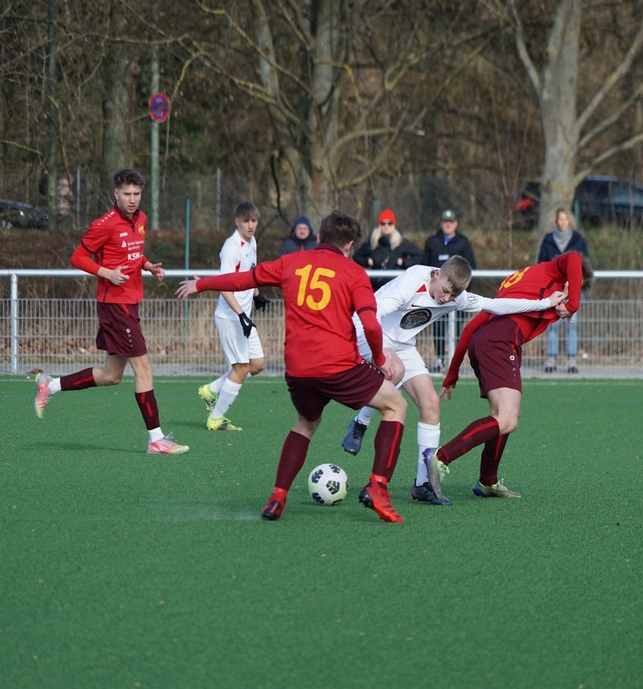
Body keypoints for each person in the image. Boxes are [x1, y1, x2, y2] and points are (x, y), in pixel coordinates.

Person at [176, 210, 409, 523]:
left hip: (298, 368)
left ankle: (277, 497)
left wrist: (202, 284)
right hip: (339, 365)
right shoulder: (355, 273)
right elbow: (370, 325)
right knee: (396, 405)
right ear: (349, 245)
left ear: (318, 237)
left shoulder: (291, 262)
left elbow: (244, 279)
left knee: (306, 423)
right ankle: (378, 487)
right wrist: (380, 360)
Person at [339, 256, 567, 506]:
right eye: (445, 291)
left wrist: (545, 303)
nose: (446, 298)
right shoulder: (412, 281)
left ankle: (423, 485)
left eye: (453, 295)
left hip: (403, 345)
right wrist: (381, 353)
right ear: (437, 274)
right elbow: (373, 314)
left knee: (431, 403)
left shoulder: (457, 297)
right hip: (368, 332)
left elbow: (495, 305)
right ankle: (361, 422)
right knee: (396, 371)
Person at [33, 168, 189, 455]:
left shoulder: (141, 219)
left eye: (137, 193)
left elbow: (133, 253)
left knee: (111, 375)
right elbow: (78, 257)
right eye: (127, 194)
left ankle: (49, 386)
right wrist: (106, 272)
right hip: (115, 306)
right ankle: (156, 440)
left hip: (130, 302)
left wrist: (148, 265)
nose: (132, 199)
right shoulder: (103, 224)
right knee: (144, 368)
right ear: (116, 194)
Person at [423, 251, 595, 502]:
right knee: (507, 418)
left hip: (490, 340)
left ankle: (487, 481)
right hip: (500, 340)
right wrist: (572, 304)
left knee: (504, 415)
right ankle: (440, 458)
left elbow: (470, 328)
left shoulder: (529, 283)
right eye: (575, 286)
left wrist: (452, 373)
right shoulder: (552, 272)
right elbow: (574, 259)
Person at [197, 201, 269, 431]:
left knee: (257, 364)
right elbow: (224, 285)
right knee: (241, 368)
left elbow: (250, 273)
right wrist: (240, 314)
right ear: (237, 221)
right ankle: (215, 419)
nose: (250, 225)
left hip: (242, 317)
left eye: (254, 221)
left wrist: (257, 295)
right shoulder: (231, 248)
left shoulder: (252, 241)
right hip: (230, 317)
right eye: (246, 221)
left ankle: (211, 390)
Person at [423, 209, 476, 372]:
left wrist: (462, 292)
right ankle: (440, 360)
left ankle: (455, 361)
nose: (448, 224)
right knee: (438, 328)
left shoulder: (463, 242)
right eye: (445, 221)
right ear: (441, 223)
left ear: (455, 224)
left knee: (458, 329)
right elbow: (424, 265)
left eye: (450, 222)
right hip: (436, 296)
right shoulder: (432, 241)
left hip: (456, 296)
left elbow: (470, 268)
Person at [538, 207, 590, 373]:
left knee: (572, 326)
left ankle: (571, 360)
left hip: (572, 290)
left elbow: (585, 265)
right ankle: (551, 359)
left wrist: (578, 285)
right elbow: (541, 265)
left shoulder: (578, 240)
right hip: (553, 291)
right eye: (560, 219)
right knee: (552, 326)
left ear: (570, 220)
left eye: (565, 219)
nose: (563, 222)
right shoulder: (548, 240)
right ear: (556, 220)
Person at [352, 208, 423, 289]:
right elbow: (357, 256)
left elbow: (420, 256)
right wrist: (367, 262)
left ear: (393, 225)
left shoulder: (401, 242)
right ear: (379, 225)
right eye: (383, 223)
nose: (386, 226)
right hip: (376, 286)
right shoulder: (372, 242)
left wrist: (404, 262)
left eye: (389, 223)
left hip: (395, 286)